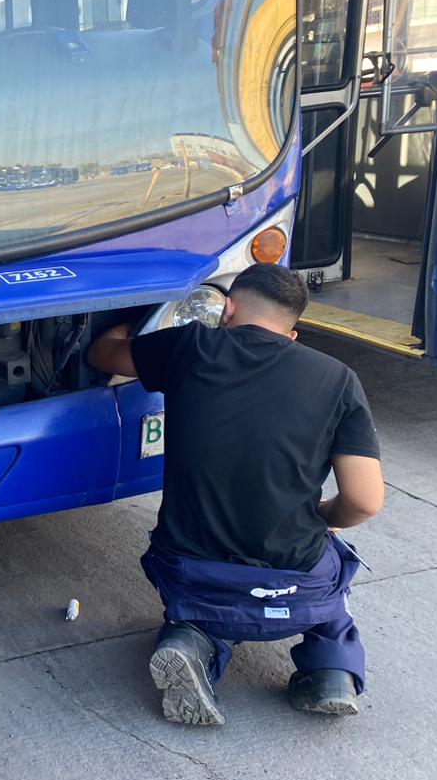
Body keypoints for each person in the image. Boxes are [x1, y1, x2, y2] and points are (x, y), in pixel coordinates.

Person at [87, 265, 384, 725]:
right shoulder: (338, 378)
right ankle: (331, 671)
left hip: (192, 572)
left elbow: (103, 355)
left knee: (198, 608)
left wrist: (127, 327)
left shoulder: (191, 347)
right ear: (293, 334)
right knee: (334, 565)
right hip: (295, 585)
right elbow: (365, 501)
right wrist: (323, 516)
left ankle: (192, 640)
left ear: (226, 310)